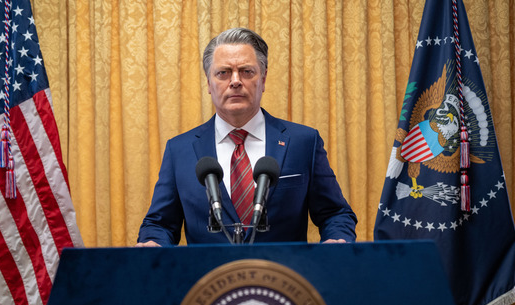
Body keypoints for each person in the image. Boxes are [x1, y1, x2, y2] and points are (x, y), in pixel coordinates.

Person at [136, 27, 356, 247]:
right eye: (223, 73)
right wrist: (153, 243)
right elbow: (160, 224)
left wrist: (336, 241)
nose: (235, 81)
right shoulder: (179, 150)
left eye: (246, 71)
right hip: (210, 279)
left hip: (282, 277)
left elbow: (335, 213)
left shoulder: (303, 142)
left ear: (264, 77)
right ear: (208, 82)